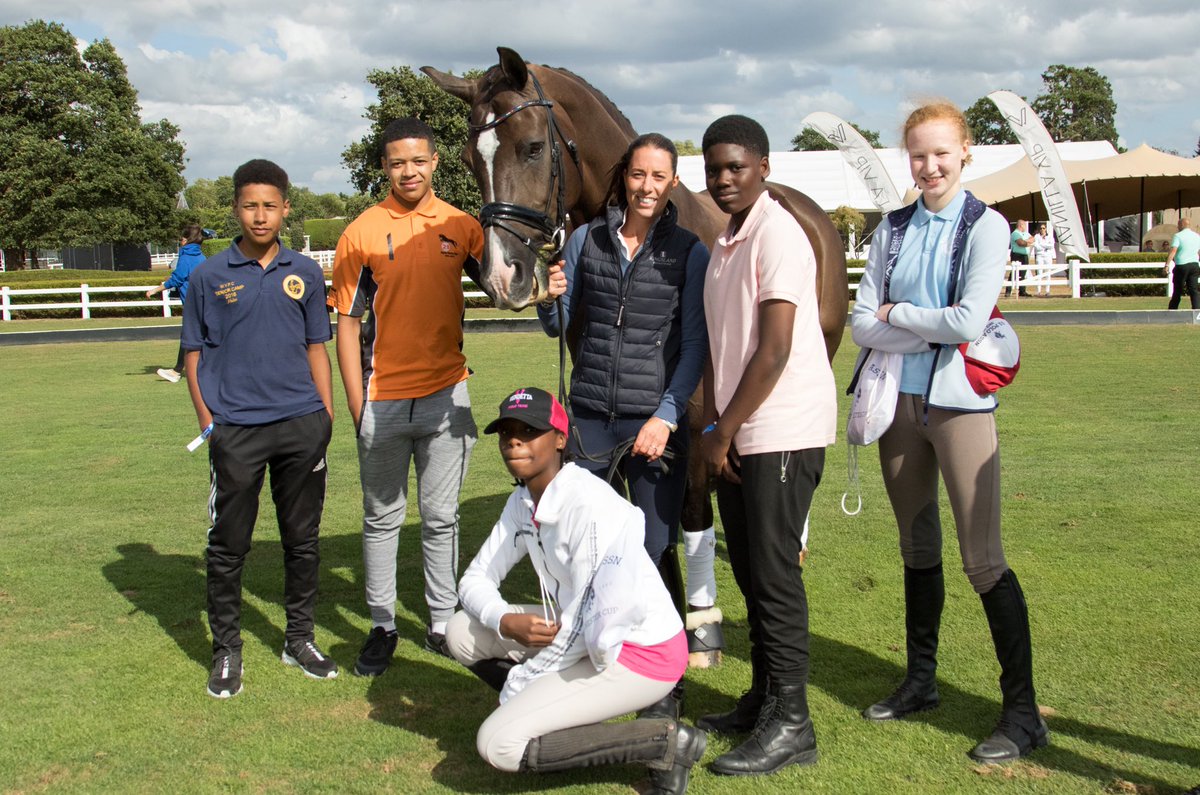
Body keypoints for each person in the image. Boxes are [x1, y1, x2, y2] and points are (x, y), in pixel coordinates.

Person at [850, 100, 1048, 763]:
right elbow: (859, 322)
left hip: (961, 405)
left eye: (941, 152)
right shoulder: (893, 228)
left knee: (982, 557)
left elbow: (968, 322)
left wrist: (900, 312)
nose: (929, 165)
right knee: (917, 544)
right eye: (917, 154)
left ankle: (1023, 714)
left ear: (966, 152)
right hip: (897, 408)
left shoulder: (985, 225)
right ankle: (921, 681)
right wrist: (912, 320)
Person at [446, 387, 706, 794]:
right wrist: (505, 620)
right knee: (461, 632)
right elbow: (474, 580)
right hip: (584, 634)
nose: (514, 441)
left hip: (638, 652)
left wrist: (523, 681)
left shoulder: (587, 503)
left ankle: (662, 741)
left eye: (530, 430)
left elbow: (590, 620)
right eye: (506, 432)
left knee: (498, 744)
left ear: (560, 440)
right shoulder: (523, 500)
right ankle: (554, 712)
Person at [537, 133, 714, 705]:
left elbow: (693, 350)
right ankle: (588, 651)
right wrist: (550, 296)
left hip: (651, 425)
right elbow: (556, 323)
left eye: (658, 177)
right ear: (625, 177)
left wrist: (665, 417)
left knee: (655, 547)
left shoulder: (689, 252)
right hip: (589, 418)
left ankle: (665, 674)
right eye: (639, 175)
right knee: (583, 544)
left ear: (673, 184)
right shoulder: (588, 238)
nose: (647, 187)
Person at [695, 115, 837, 776]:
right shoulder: (728, 240)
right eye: (714, 167)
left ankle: (793, 724)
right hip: (741, 431)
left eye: (735, 166)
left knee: (775, 576)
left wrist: (722, 430)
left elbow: (775, 349)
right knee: (752, 571)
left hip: (782, 429)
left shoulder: (777, 233)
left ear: (764, 167)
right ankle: (765, 697)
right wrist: (722, 429)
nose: (723, 178)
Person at [330, 117, 484, 676]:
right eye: (398, 162)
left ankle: (442, 621)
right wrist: (357, 405)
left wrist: (548, 282)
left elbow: (507, 284)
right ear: (385, 167)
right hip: (383, 399)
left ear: (435, 163)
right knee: (380, 517)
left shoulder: (463, 226)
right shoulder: (361, 232)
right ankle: (381, 624)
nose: (409, 171)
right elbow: (346, 326)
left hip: (449, 396)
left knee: (442, 516)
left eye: (418, 160)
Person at [181, 159, 337, 698]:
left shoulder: (307, 272)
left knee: (303, 541)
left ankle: (300, 640)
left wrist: (325, 415)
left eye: (270, 205)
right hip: (237, 431)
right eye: (250, 205)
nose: (260, 215)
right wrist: (210, 425)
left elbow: (317, 346)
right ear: (235, 208)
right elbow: (193, 356)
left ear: (286, 208)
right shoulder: (207, 276)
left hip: (300, 425)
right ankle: (226, 650)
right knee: (229, 546)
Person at [148, 224, 206, 382]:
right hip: (204, 302)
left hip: (192, 303)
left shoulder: (186, 256)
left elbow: (177, 278)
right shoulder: (201, 257)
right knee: (198, 336)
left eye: (181, 238)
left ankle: (176, 371)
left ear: (185, 240)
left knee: (189, 337)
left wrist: (155, 290)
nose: (180, 241)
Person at [1165, 217, 1200, 310]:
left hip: (1182, 265)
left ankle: (1172, 310)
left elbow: (1173, 250)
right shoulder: (1197, 236)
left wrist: (1167, 264)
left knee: (1177, 289)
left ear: (1181, 225)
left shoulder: (1178, 236)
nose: (1177, 227)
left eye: (1178, 225)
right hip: (1194, 265)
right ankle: (1197, 311)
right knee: (1194, 290)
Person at [1005, 219, 1032, 297]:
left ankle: (1022, 291)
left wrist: (1026, 241)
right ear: (1021, 225)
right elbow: (1021, 243)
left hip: (1024, 255)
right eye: (1025, 225)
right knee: (1014, 273)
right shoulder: (1015, 233)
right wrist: (1027, 243)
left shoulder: (1025, 233)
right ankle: (1008, 291)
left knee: (1023, 273)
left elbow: (1033, 239)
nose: (1026, 227)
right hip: (1017, 255)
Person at [1030, 223, 1055, 296]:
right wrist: (1045, 246)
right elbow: (1037, 247)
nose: (1042, 229)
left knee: (1048, 273)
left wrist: (1041, 244)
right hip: (1039, 256)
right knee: (1039, 273)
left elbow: (1051, 246)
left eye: (1043, 228)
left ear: (1046, 229)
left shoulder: (1050, 236)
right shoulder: (1037, 236)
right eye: (1041, 228)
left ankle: (1047, 291)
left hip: (1048, 256)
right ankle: (1038, 291)